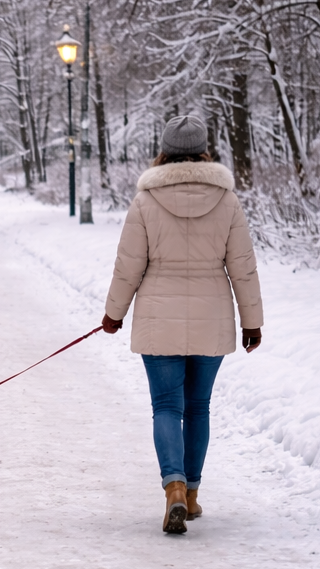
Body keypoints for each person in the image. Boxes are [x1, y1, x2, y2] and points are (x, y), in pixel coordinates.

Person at [100, 114, 263, 535]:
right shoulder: (226, 200)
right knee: (198, 407)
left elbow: (128, 265)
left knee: (166, 407)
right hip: (211, 317)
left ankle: (172, 486)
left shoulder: (146, 200)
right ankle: (190, 495)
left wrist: (114, 313)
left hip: (159, 319)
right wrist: (252, 322)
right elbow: (243, 267)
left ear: (165, 151)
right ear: (205, 150)